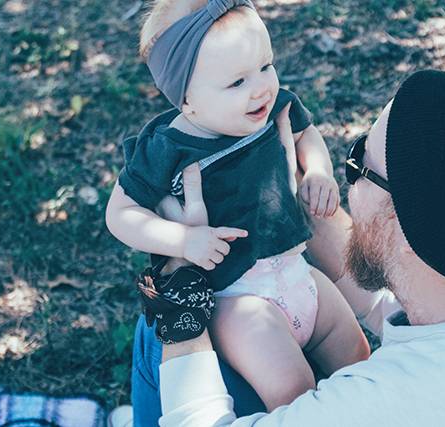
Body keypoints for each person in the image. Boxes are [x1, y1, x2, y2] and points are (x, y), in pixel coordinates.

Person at [153, 69, 445, 426]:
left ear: (409, 224)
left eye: (359, 163)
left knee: (164, 340)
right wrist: (281, 194)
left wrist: (178, 276)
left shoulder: (397, 403)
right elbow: (391, 288)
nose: (346, 174)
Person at [104, 0, 370, 418]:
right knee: (295, 392)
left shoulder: (274, 106)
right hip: (240, 298)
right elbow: (120, 214)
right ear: (186, 100)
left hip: (298, 273)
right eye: (237, 82)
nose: (261, 87)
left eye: (266, 66)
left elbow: (306, 136)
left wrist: (318, 171)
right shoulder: (166, 147)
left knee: (359, 357)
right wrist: (183, 239)